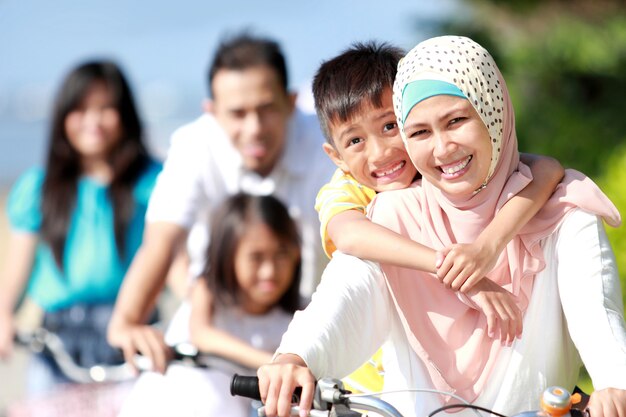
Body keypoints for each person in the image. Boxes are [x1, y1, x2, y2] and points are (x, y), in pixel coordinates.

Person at [257, 35, 626, 417]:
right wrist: (295, 356)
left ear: (494, 111)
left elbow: (596, 309)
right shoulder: (391, 213)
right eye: (419, 132)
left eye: (457, 121)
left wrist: (615, 383)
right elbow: (347, 289)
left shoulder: (564, 212)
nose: (442, 148)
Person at [311, 41, 563, 392]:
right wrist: (463, 276)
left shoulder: (440, 166)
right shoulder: (347, 188)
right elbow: (350, 236)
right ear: (335, 156)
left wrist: (488, 247)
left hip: (443, 370)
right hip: (370, 382)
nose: (380, 153)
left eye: (389, 127)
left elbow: (547, 170)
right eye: (355, 141)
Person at [107, 33, 335, 373]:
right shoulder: (193, 145)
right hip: (218, 340)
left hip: (315, 329)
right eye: (238, 113)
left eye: (266, 109)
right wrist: (127, 320)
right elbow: (161, 242)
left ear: (291, 102)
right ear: (211, 112)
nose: (254, 128)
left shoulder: (325, 147)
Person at [0, 60, 162, 396]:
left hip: (130, 331)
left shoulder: (152, 182)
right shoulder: (38, 187)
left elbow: (171, 255)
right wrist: (3, 314)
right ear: (62, 118)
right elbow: (17, 272)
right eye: (80, 109)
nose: (93, 121)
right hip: (56, 340)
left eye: (105, 109)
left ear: (126, 115)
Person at [117, 193, 301, 417]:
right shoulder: (207, 289)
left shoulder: (299, 317)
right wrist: (276, 364)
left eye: (281, 255)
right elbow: (202, 334)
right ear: (228, 255)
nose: (269, 271)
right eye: (256, 257)